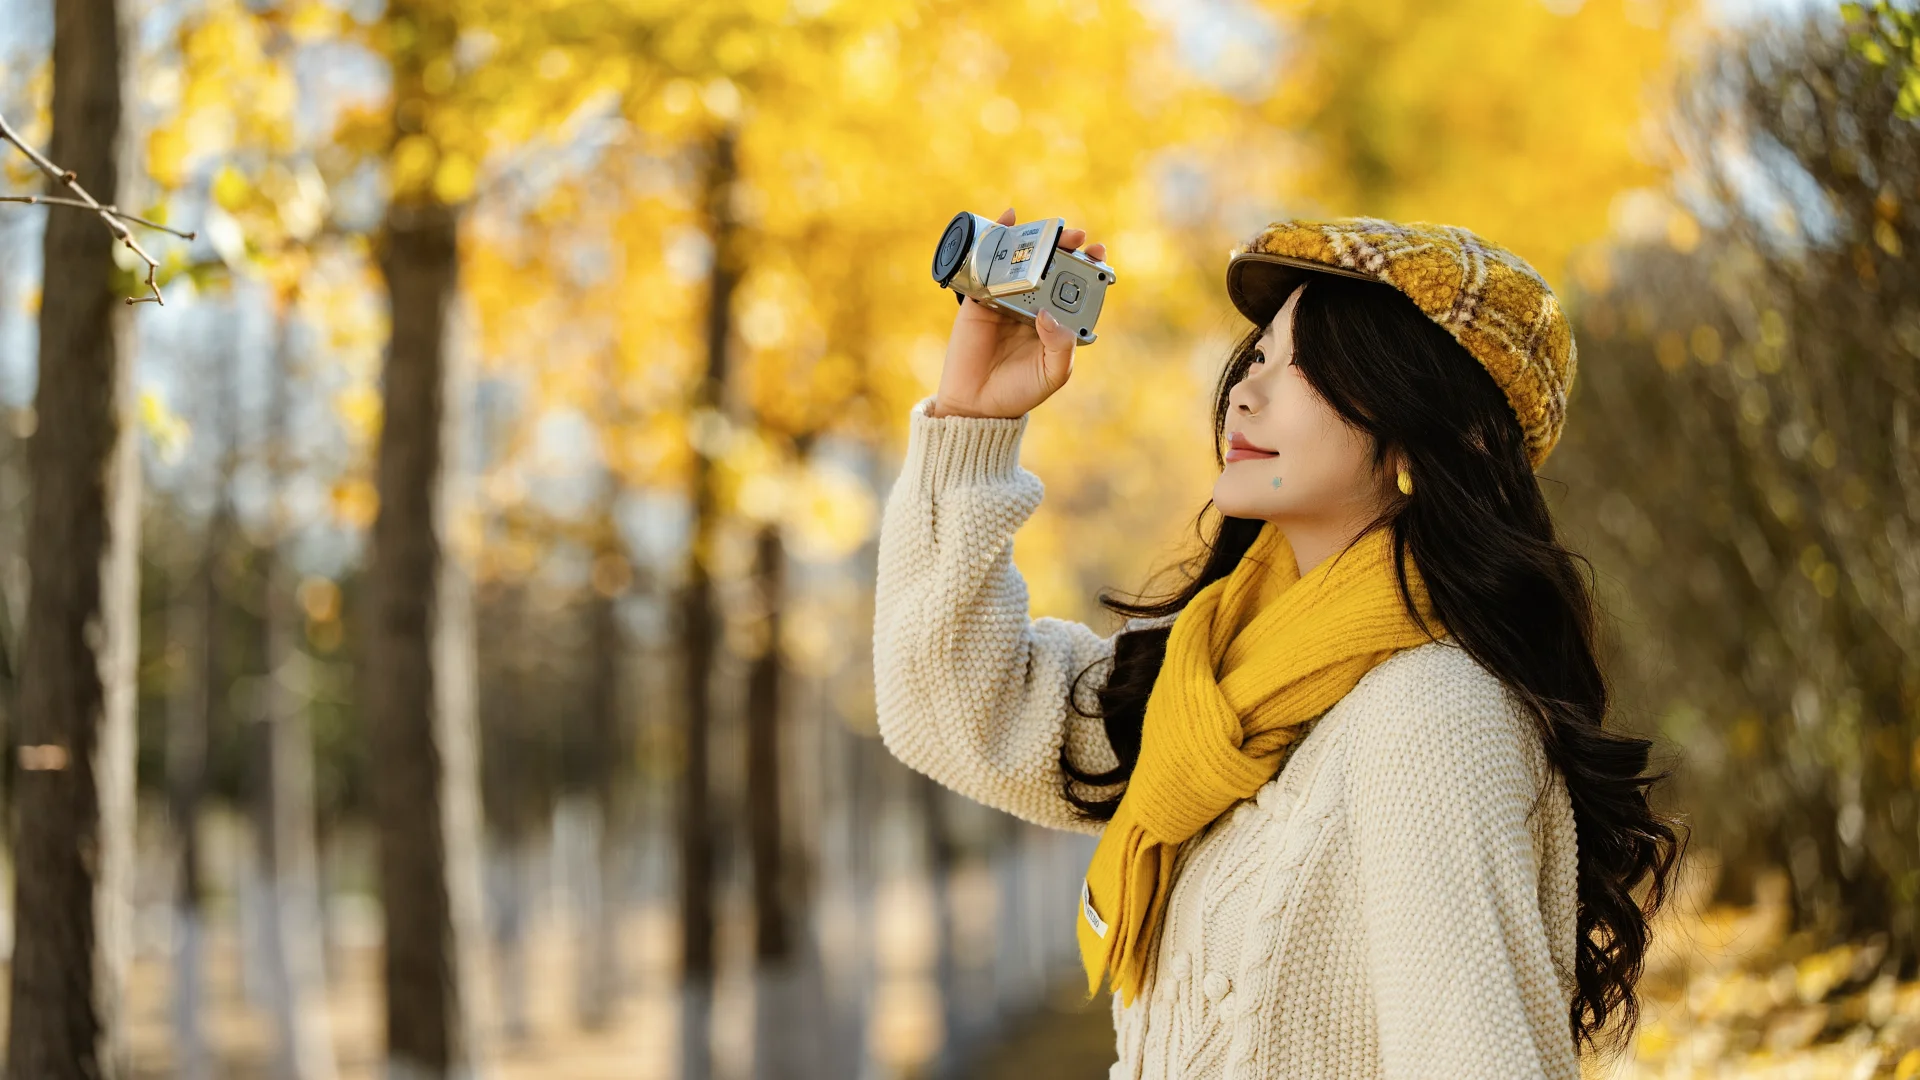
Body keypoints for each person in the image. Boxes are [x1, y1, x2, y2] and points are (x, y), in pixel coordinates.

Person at [872, 208, 1685, 1079]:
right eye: (1257, 358)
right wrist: (970, 419)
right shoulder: (1218, 673)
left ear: (1422, 436)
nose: (1247, 393)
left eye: (1309, 370)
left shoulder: (1436, 720)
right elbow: (947, 705)